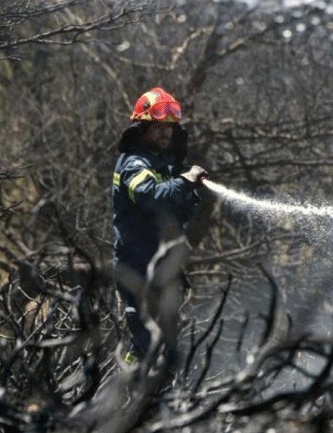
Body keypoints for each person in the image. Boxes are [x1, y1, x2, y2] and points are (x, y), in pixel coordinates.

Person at [112, 87, 207, 363]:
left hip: (159, 268)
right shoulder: (133, 165)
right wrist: (185, 181)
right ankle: (130, 395)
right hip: (137, 271)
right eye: (157, 127)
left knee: (165, 350)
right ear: (142, 128)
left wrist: (186, 191)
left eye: (169, 127)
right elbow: (153, 198)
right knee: (148, 348)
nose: (165, 133)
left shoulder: (163, 166)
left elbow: (178, 213)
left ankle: (149, 395)